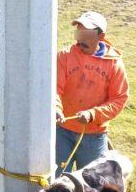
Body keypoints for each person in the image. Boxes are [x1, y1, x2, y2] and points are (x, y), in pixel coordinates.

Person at [55, 11, 129, 174]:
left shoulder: (114, 64)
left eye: (86, 35)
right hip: (62, 132)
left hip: (94, 137)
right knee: (56, 183)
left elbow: (118, 99)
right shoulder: (65, 56)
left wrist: (92, 114)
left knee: (91, 187)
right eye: (78, 33)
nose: (79, 40)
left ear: (100, 37)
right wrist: (56, 109)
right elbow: (55, 89)